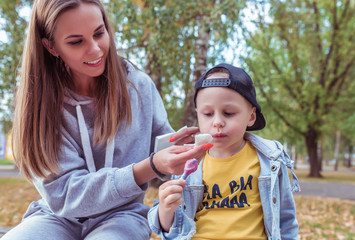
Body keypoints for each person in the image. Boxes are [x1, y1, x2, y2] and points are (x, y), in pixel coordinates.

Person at [2, 0, 210, 239]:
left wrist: (179, 152)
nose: (95, 49)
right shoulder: (41, 104)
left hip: (123, 216)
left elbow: (163, 153)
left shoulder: (138, 86)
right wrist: (150, 165)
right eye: (76, 41)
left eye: (99, 33)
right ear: (51, 47)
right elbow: (65, 195)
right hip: (56, 216)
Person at [148, 63, 301, 240]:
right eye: (207, 114)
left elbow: (286, 222)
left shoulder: (270, 160)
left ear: (251, 116)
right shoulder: (188, 163)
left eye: (228, 113)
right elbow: (170, 229)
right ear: (198, 115)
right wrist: (166, 210)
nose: (217, 122)